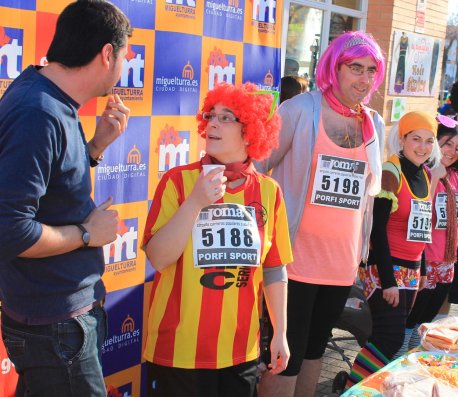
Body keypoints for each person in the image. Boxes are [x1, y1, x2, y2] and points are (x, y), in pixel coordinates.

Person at [0, 1, 132, 395]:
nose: (127, 66)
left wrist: (94, 148)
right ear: (107, 54)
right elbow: (10, 230)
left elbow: (49, 190)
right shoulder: (38, 111)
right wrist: (87, 234)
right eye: (127, 55)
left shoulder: (51, 98)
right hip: (55, 324)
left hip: (59, 320)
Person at [256, 31, 386, 397]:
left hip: (341, 266)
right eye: (355, 68)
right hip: (293, 263)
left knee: (315, 351)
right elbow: (257, 168)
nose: (363, 79)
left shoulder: (373, 123)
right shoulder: (299, 110)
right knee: (286, 357)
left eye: (371, 70)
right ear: (334, 67)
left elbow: (367, 194)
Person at [143, 83, 292, 397]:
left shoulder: (269, 191)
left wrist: (280, 332)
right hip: (180, 351)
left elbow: (274, 269)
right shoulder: (178, 181)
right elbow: (158, 257)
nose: (212, 123)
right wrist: (195, 202)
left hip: (241, 351)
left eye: (227, 118)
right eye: (211, 115)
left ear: (251, 131)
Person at [347, 111, 440, 387]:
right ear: (402, 140)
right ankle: (354, 389)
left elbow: (421, 227)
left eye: (428, 140)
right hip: (386, 269)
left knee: (389, 337)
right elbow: (377, 229)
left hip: (411, 272)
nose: (422, 147)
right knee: (389, 339)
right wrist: (388, 281)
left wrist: (421, 269)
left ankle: (368, 388)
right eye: (415, 139)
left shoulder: (424, 173)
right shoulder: (392, 169)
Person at [403, 116, 458, 352]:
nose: (451, 151)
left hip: (446, 261)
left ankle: (412, 358)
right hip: (424, 259)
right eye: (447, 144)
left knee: (424, 322)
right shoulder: (423, 172)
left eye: (457, 147)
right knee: (409, 320)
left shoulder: (456, 175)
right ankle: (398, 359)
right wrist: (436, 174)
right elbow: (419, 208)